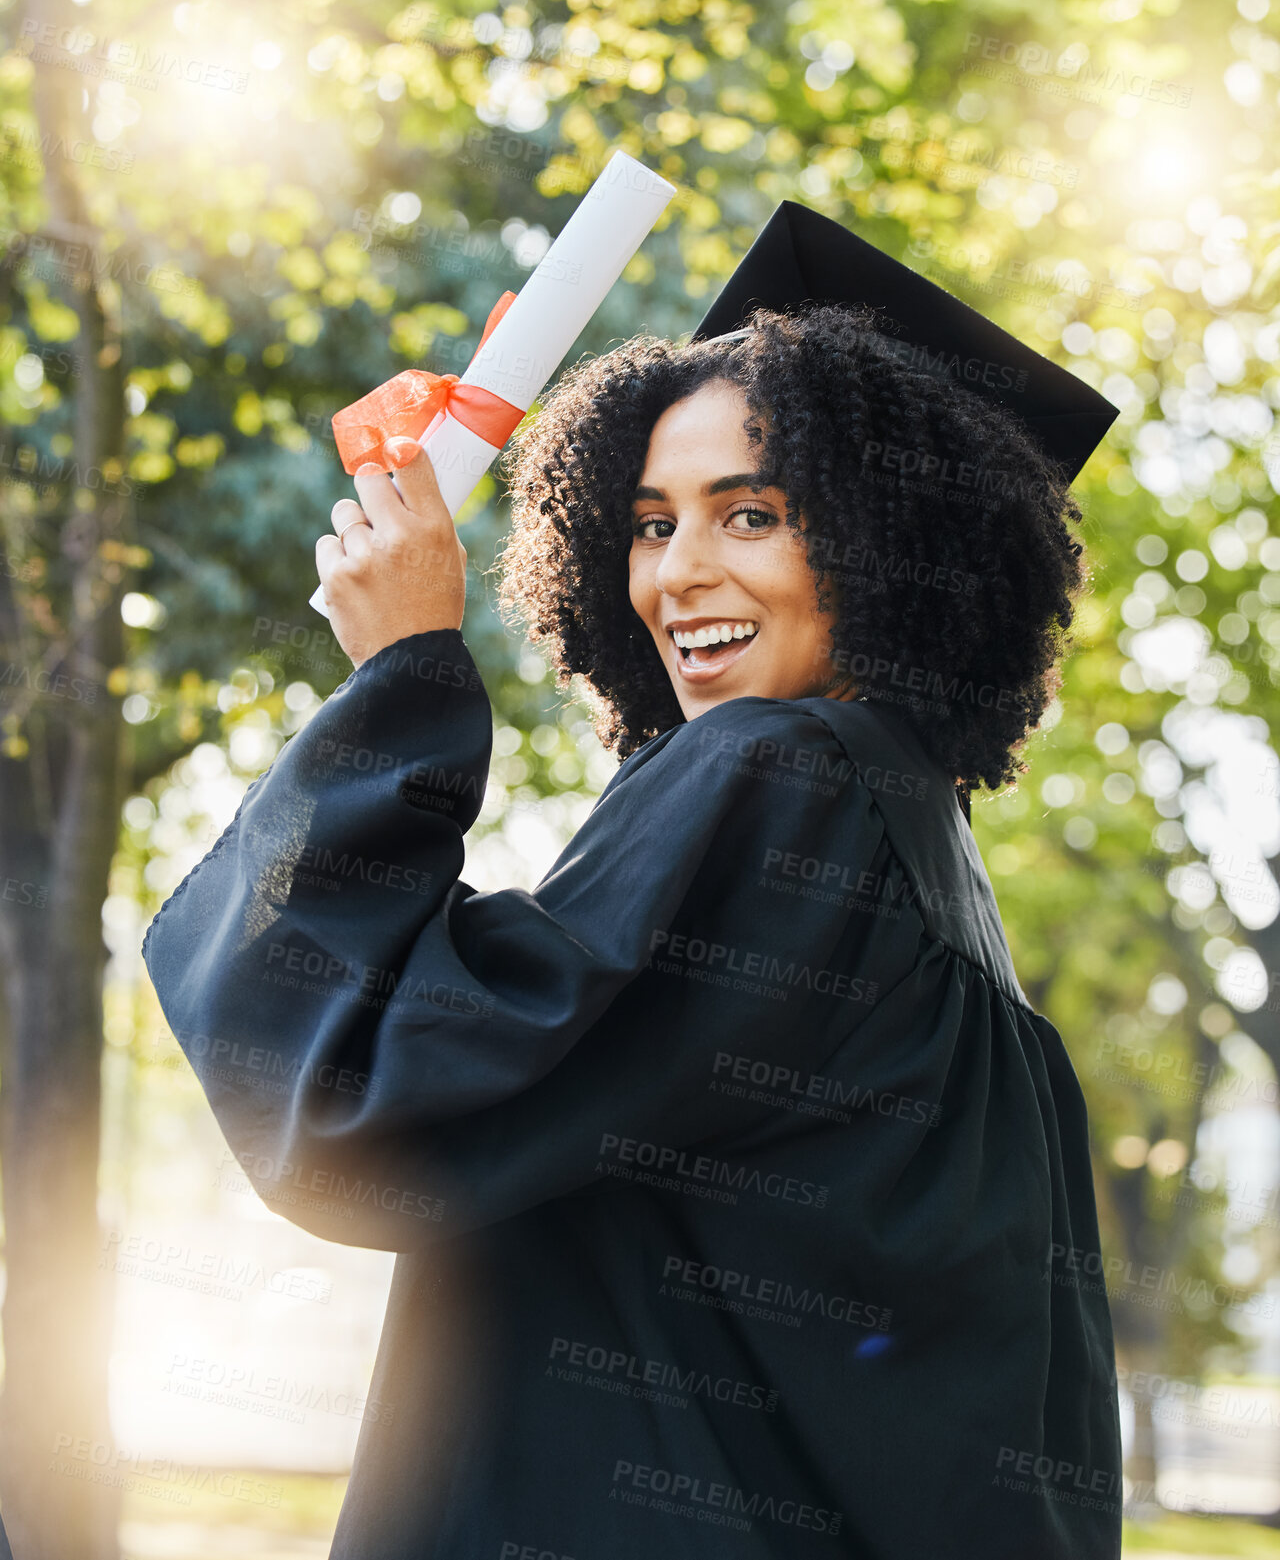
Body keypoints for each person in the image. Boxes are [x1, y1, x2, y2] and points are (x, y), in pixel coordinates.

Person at [142, 287, 1123, 1554]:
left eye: (753, 514)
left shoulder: (786, 775)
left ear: (890, 546)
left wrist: (403, 681)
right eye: (651, 523)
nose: (678, 574)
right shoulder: (926, 856)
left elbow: (362, 1101)